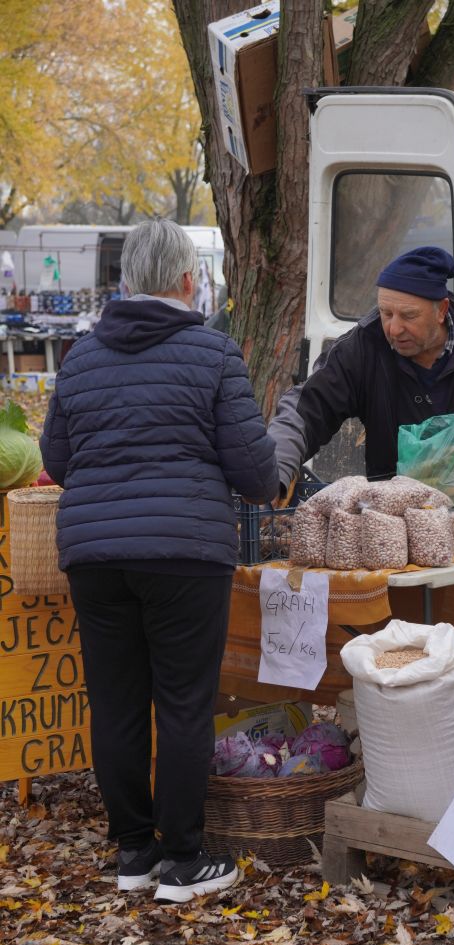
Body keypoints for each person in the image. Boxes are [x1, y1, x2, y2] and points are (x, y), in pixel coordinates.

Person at [40, 219, 279, 903]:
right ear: (185, 280)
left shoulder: (80, 358)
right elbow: (255, 472)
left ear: (127, 283)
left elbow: (57, 461)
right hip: (184, 552)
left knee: (115, 704)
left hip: (93, 556)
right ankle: (183, 859)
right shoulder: (212, 354)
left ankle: (133, 853)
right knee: (182, 703)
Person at [269, 246, 454, 542]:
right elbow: (306, 408)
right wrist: (271, 472)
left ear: (442, 310)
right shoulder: (362, 347)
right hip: (401, 537)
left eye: (408, 316)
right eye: (385, 313)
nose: (394, 329)